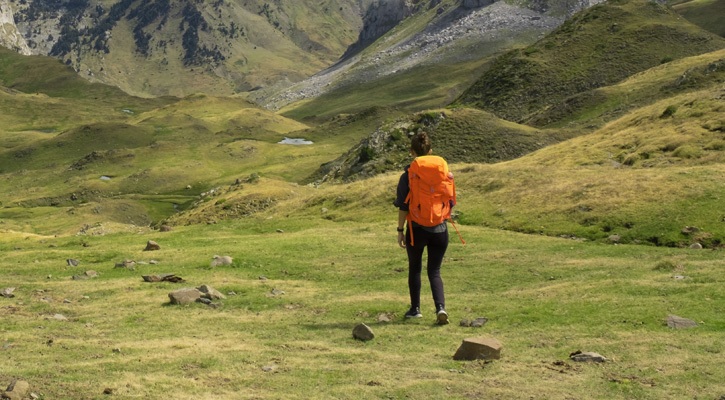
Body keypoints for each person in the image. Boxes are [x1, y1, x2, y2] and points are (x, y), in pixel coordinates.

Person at [393, 131, 450, 325]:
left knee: (415, 269)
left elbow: (403, 206)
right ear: (431, 151)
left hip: (416, 229)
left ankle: (415, 309)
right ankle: (440, 308)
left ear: (412, 152)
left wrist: (400, 230)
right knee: (434, 271)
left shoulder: (407, 176)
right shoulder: (443, 173)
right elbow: (449, 200)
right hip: (440, 228)